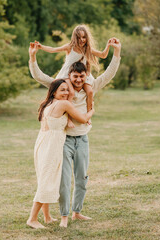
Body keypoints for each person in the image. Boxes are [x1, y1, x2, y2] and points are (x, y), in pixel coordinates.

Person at [29, 37, 121, 228]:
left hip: (83, 139)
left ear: (86, 75)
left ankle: (76, 212)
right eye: (75, 77)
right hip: (64, 141)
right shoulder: (61, 88)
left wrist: (117, 53)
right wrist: (33, 58)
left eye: (82, 77)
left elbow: (109, 74)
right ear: (69, 77)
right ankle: (63, 216)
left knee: (82, 178)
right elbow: (40, 76)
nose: (78, 80)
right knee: (63, 180)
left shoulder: (91, 86)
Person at [27, 79, 95, 229]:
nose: (66, 93)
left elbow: (66, 104)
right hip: (51, 146)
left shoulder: (49, 103)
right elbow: (83, 118)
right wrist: (92, 110)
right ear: (54, 92)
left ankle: (47, 217)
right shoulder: (63, 104)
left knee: (45, 178)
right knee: (47, 181)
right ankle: (32, 219)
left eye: (66, 89)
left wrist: (67, 119)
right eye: (62, 90)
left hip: (43, 142)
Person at [35, 25, 111, 127]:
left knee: (90, 92)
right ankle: (68, 118)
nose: (82, 40)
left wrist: (109, 45)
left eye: (84, 37)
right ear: (75, 37)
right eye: (79, 37)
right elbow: (53, 49)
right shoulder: (70, 47)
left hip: (80, 74)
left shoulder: (87, 48)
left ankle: (88, 116)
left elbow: (103, 55)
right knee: (71, 92)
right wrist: (41, 46)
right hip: (67, 74)